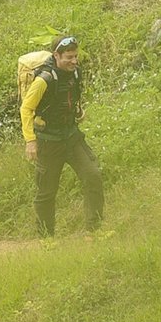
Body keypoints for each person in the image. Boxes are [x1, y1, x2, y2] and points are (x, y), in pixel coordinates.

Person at [22, 34, 103, 236]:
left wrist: (78, 112)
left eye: (75, 56)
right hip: (48, 143)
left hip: (71, 138)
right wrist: (31, 141)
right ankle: (46, 239)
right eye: (68, 57)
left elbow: (71, 98)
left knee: (93, 175)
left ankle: (94, 232)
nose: (74, 61)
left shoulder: (76, 73)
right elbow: (26, 109)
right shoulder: (44, 80)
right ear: (56, 56)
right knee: (46, 193)